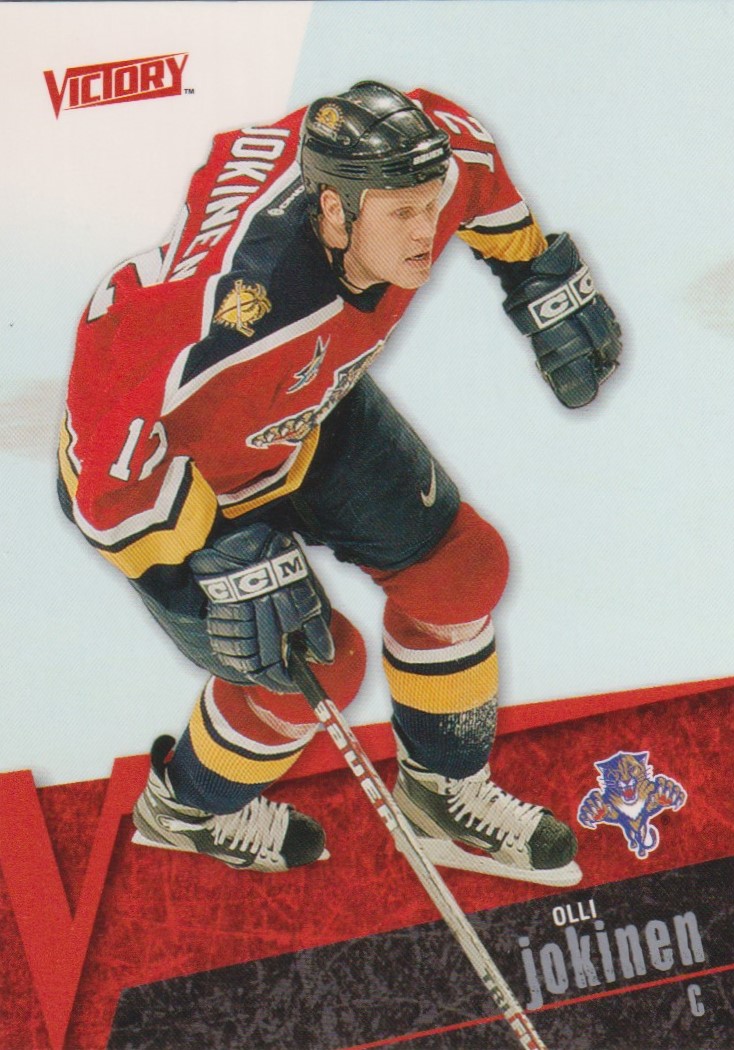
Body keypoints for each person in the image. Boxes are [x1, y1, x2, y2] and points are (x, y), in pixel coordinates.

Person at [58, 82, 621, 883]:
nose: (428, 231)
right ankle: (186, 809)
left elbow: (471, 161)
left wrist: (534, 268)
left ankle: (442, 796)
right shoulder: (225, 317)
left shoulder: (422, 169)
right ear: (331, 211)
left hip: (302, 413)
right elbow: (103, 476)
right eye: (402, 215)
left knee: (462, 571)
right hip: (172, 472)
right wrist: (218, 548)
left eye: (430, 205)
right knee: (318, 667)